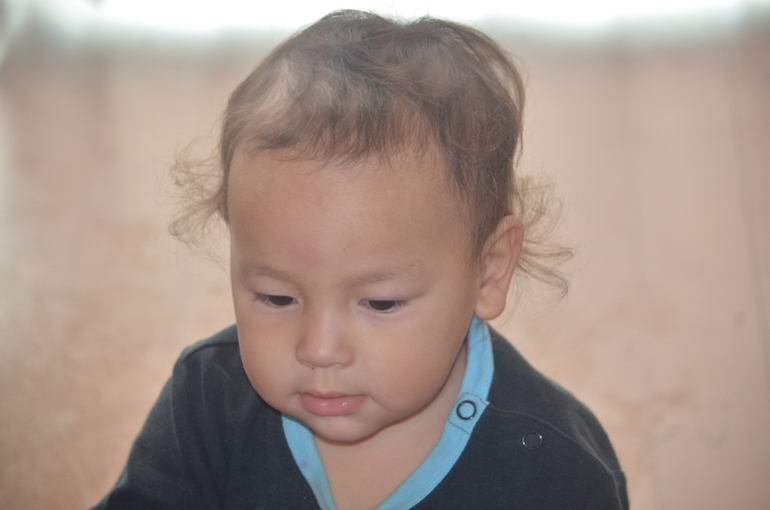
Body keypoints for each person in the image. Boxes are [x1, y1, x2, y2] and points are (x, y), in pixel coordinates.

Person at [92, 10, 628, 510]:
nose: (319, 349)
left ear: (488, 271)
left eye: (380, 303)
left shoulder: (556, 470)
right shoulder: (209, 401)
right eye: (276, 297)